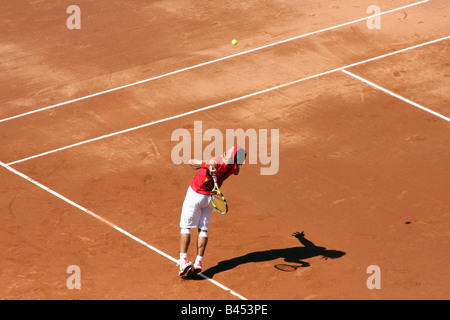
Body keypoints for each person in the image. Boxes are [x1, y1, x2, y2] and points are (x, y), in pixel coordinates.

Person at [178, 146, 246, 277]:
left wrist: (207, 165)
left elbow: (191, 162)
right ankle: (198, 262)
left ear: (230, 155)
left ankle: (183, 260)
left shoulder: (216, 162)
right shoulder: (234, 168)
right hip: (210, 198)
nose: (230, 147)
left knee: (185, 227)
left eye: (232, 149)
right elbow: (237, 170)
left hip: (196, 195)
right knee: (203, 230)